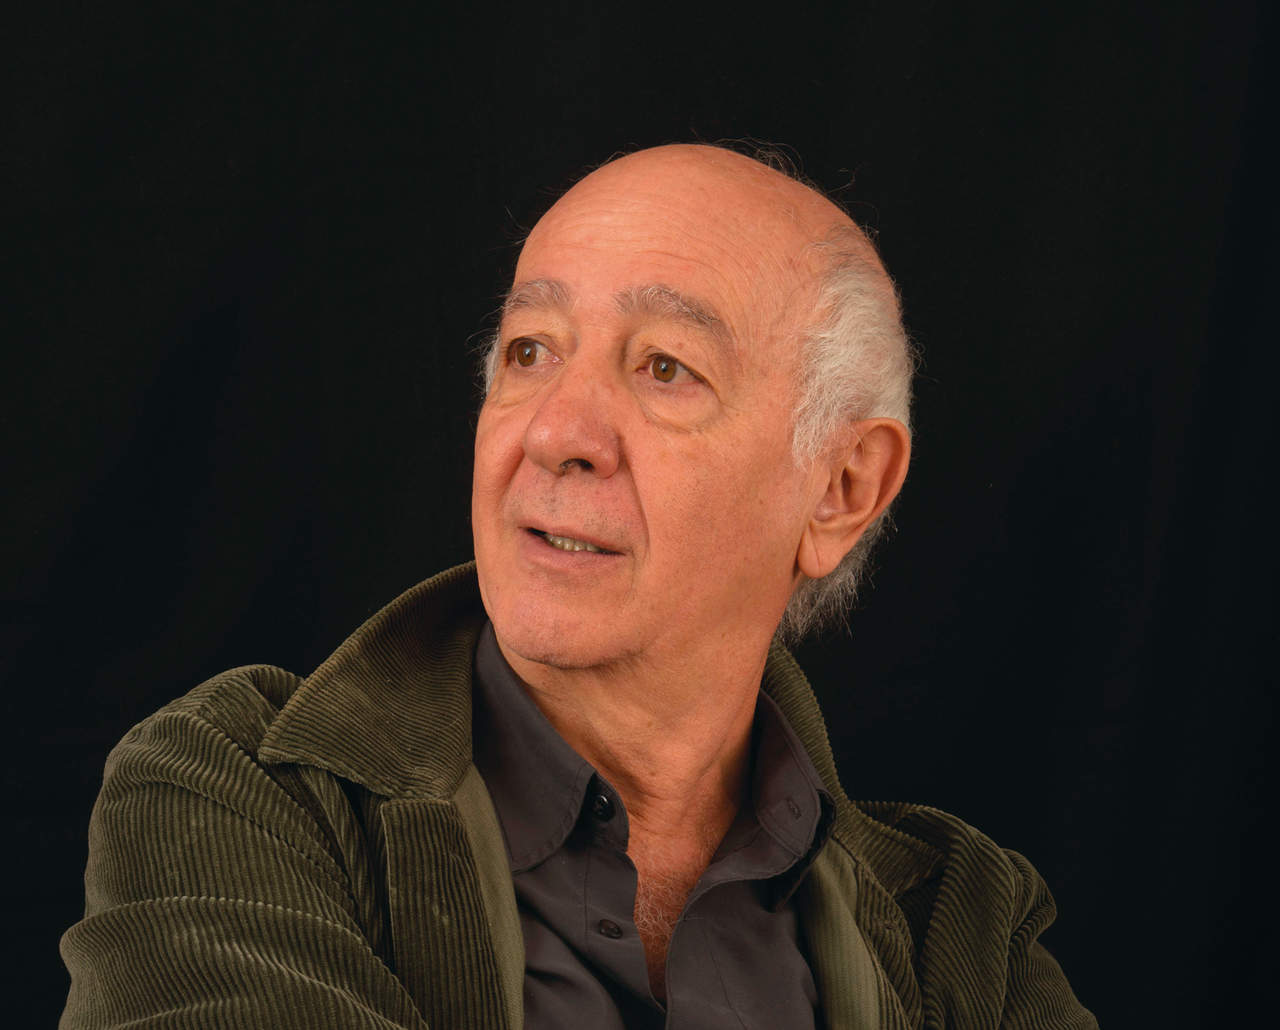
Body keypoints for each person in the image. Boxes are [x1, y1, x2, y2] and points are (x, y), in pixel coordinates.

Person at [60, 144, 1095, 1028]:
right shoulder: (239, 793)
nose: (555, 431)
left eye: (665, 367)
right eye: (530, 351)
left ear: (839, 488)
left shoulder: (962, 926)